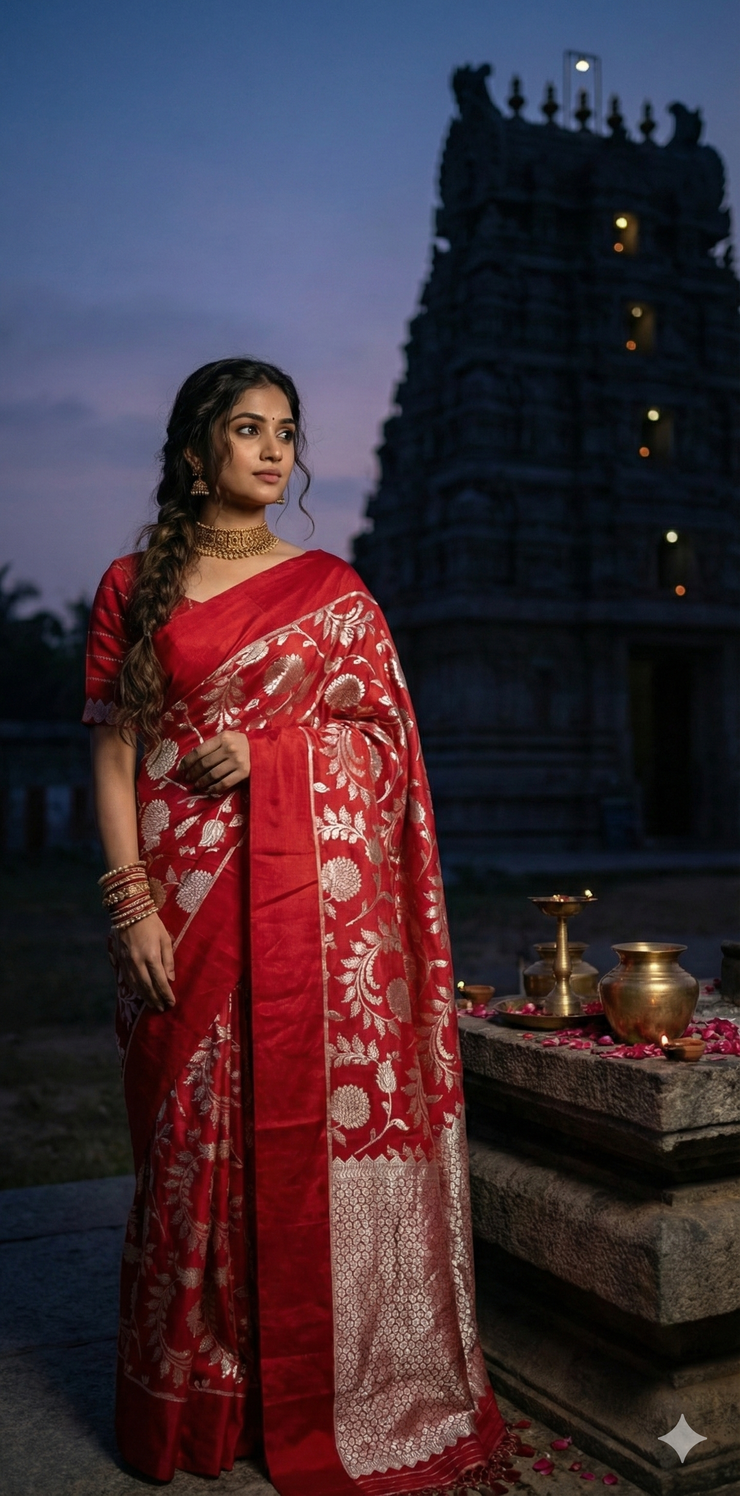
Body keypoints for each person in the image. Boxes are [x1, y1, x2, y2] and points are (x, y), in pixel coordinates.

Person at [85, 358, 516, 1494]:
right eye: (246, 429)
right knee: (182, 1145)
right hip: (176, 899)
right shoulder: (132, 583)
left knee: (289, 1134)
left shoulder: (334, 591)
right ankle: (198, 1395)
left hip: (299, 917)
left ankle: (305, 1386)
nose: (273, 451)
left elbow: (386, 748)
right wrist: (128, 897)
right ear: (195, 452)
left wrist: (276, 752)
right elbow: (117, 752)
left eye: (286, 430)